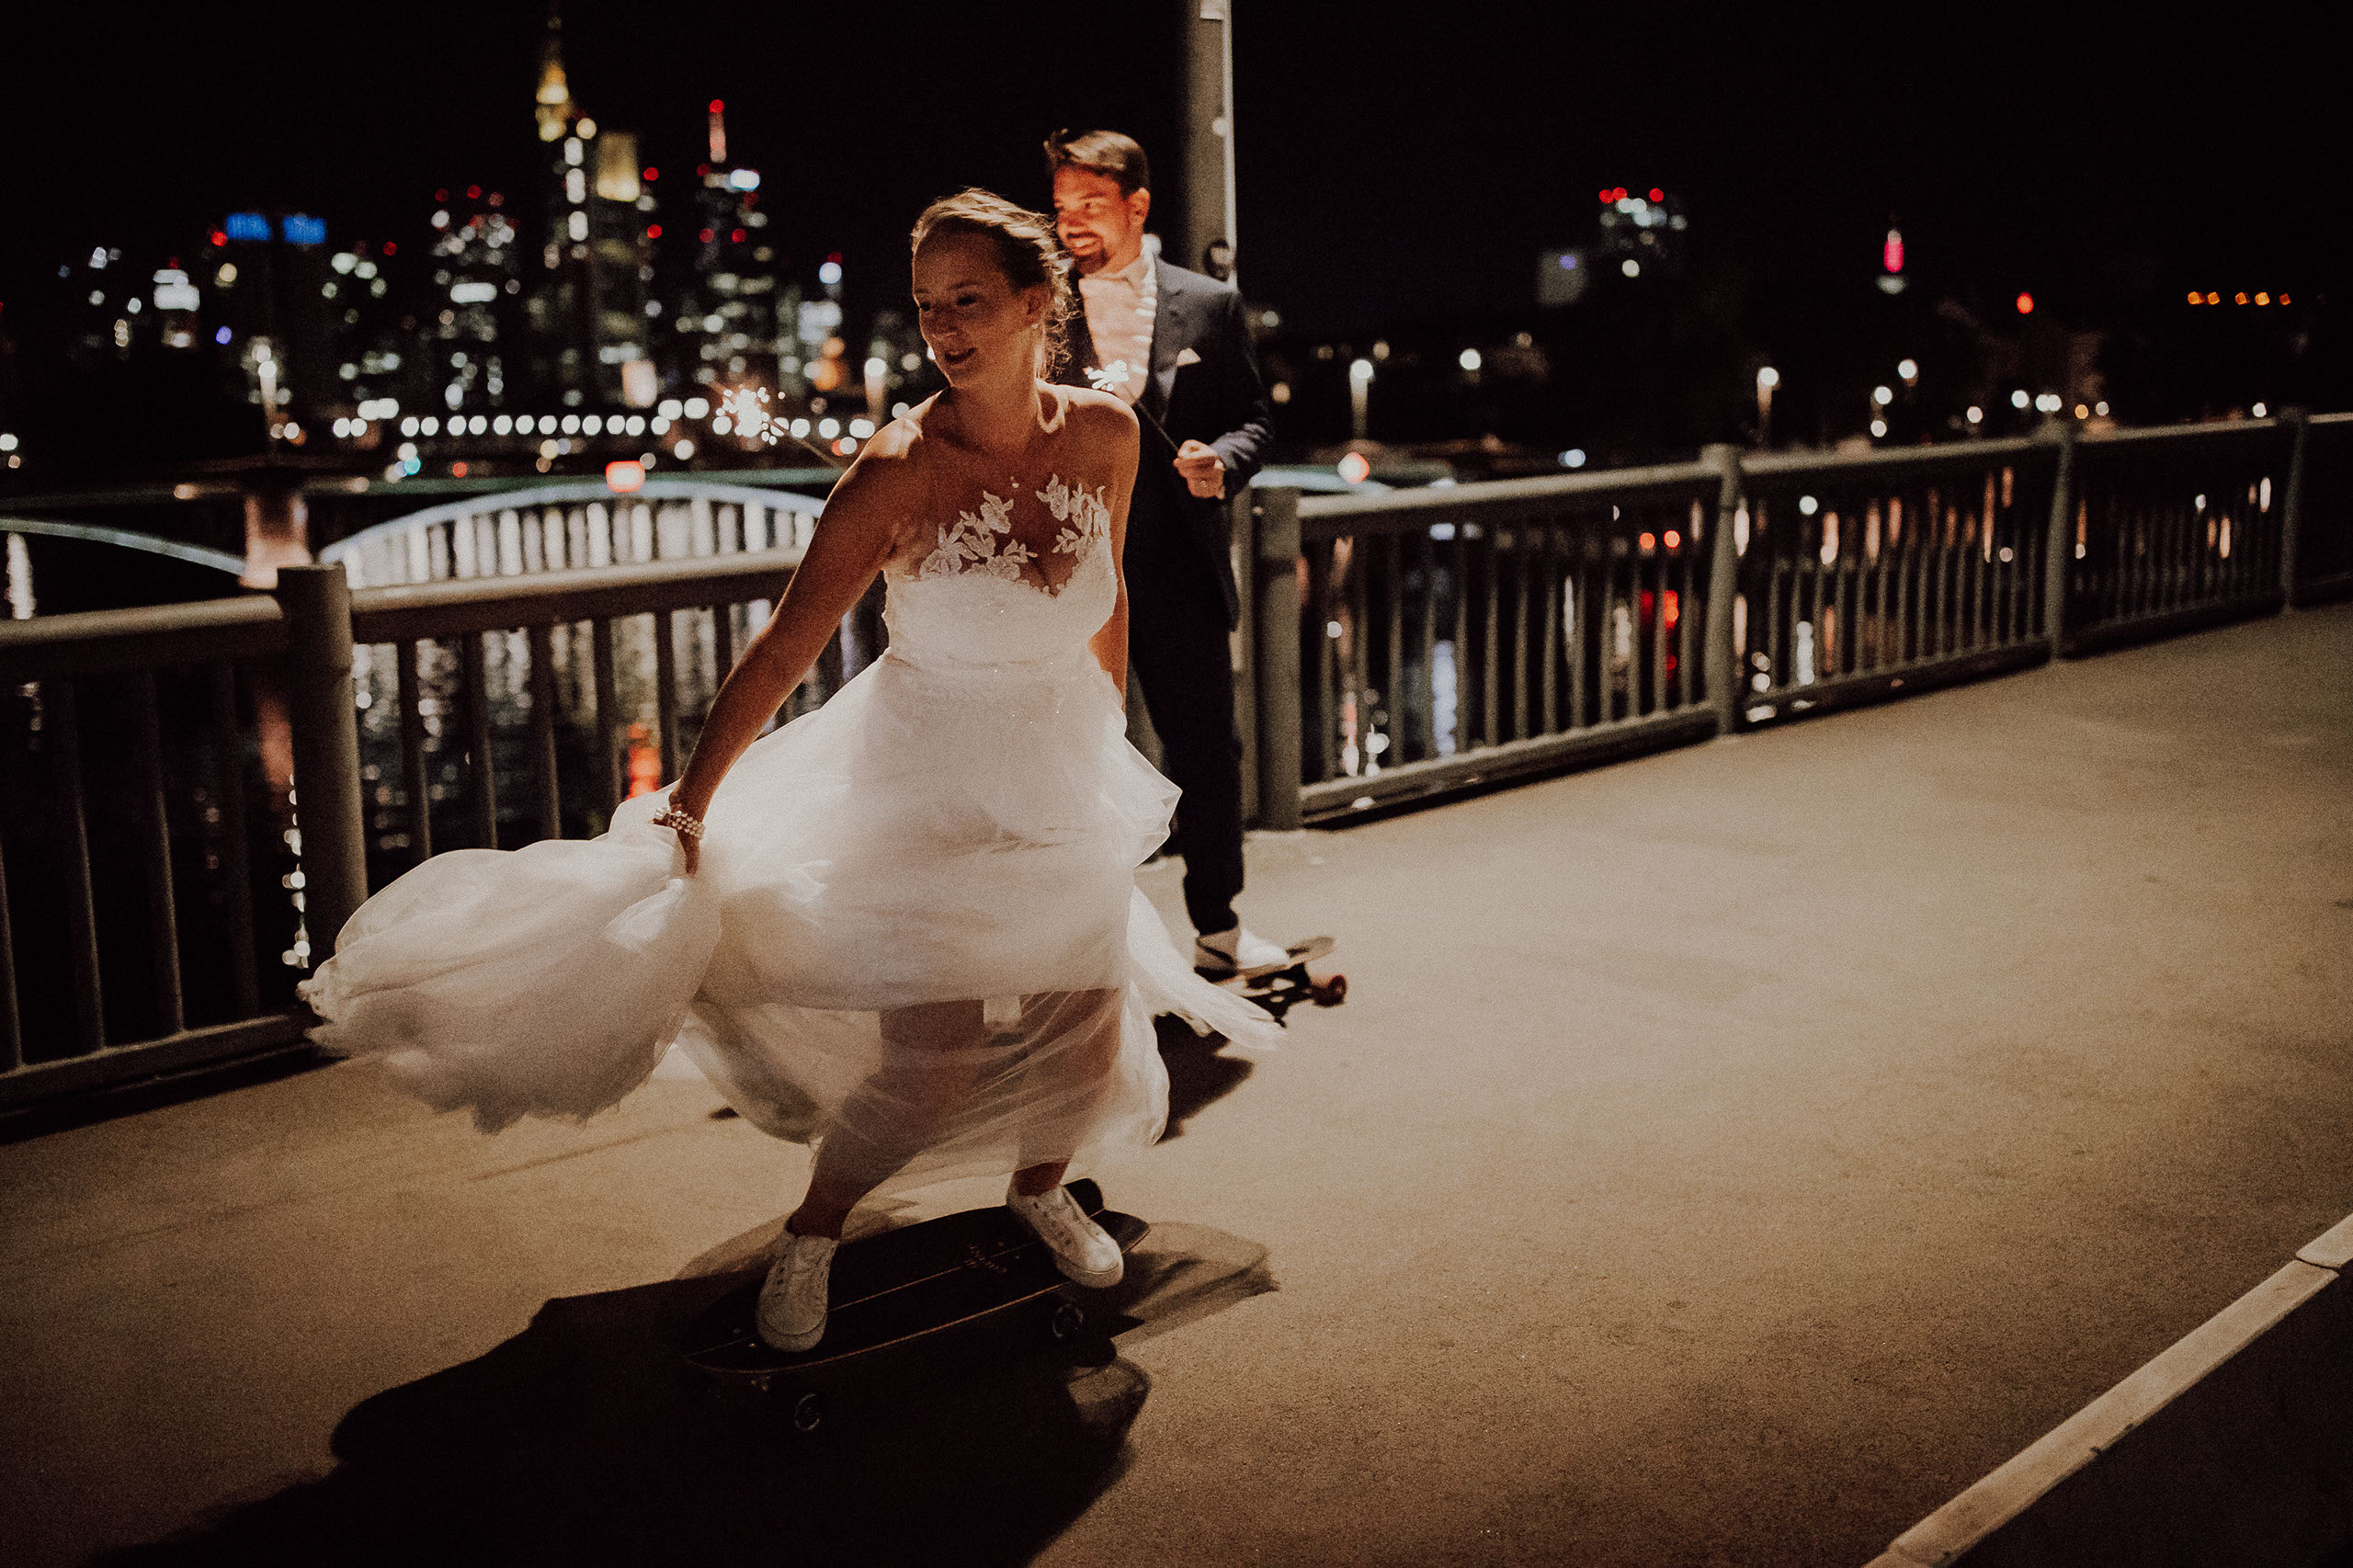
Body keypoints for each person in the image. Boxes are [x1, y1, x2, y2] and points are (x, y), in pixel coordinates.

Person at [300, 190, 1279, 1355]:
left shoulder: (1109, 439)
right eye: (926, 307)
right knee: (934, 1059)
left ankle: (1039, 1188)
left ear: (1037, 302)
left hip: (1060, 772)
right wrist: (689, 799)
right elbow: (783, 647)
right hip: (924, 781)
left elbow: (1104, 598)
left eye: (968, 301)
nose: (944, 329)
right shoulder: (896, 467)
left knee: (1082, 1025)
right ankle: (813, 1233)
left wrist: (1108, 744)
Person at [1044, 129, 1290, 978]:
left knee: (1206, 754)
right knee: (1071, 758)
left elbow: (1256, 419)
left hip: (1180, 571)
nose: (1071, 221)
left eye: (1090, 205)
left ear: (1136, 206)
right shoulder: (1042, 304)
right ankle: (1078, 949)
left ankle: (1219, 931)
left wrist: (1219, 462)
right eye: (1062, 205)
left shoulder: (1210, 305)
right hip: (1072, 577)